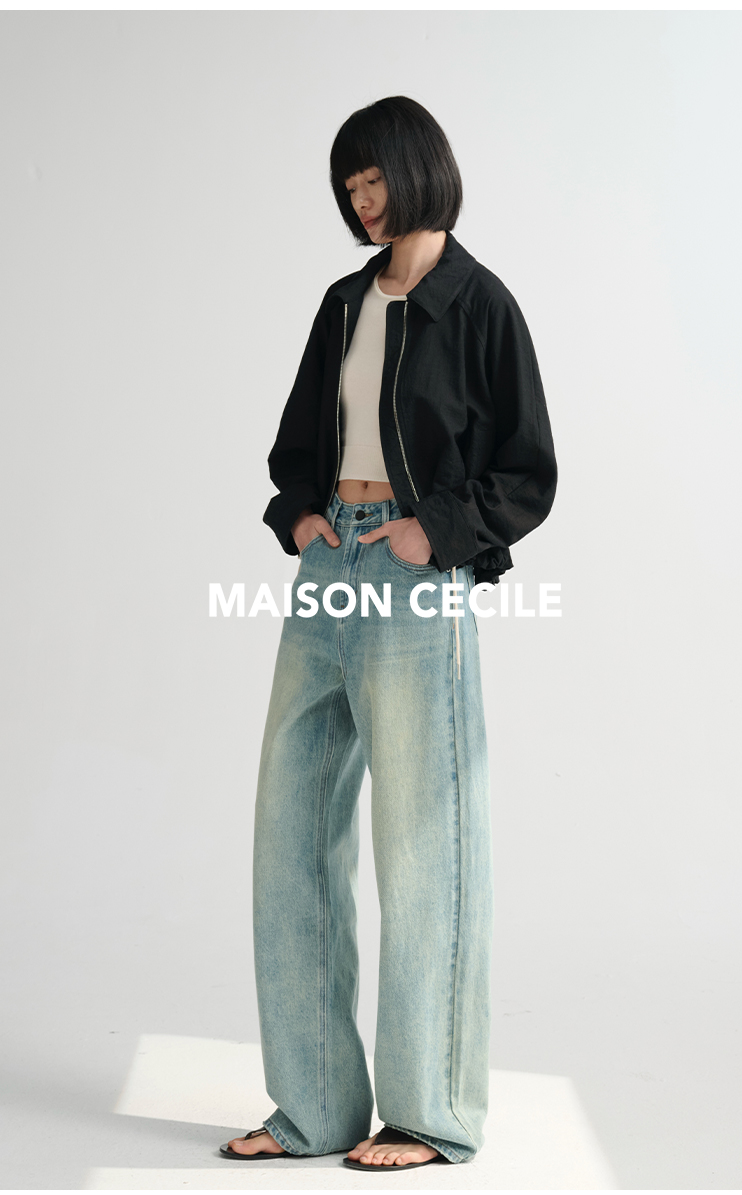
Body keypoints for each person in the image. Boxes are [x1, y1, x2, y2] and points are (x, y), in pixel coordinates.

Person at [219, 95, 557, 1171]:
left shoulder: (478, 303)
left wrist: (436, 532)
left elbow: (529, 471)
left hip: (415, 580)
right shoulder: (343, 302)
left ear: (419, 171)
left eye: (374, 180)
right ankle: (313, 1108)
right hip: (330, 568)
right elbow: (296, 442)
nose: (362, 202)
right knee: (290, 835)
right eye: (350, 187)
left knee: (424, 846)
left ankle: (428, 1113)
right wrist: (300, 516)